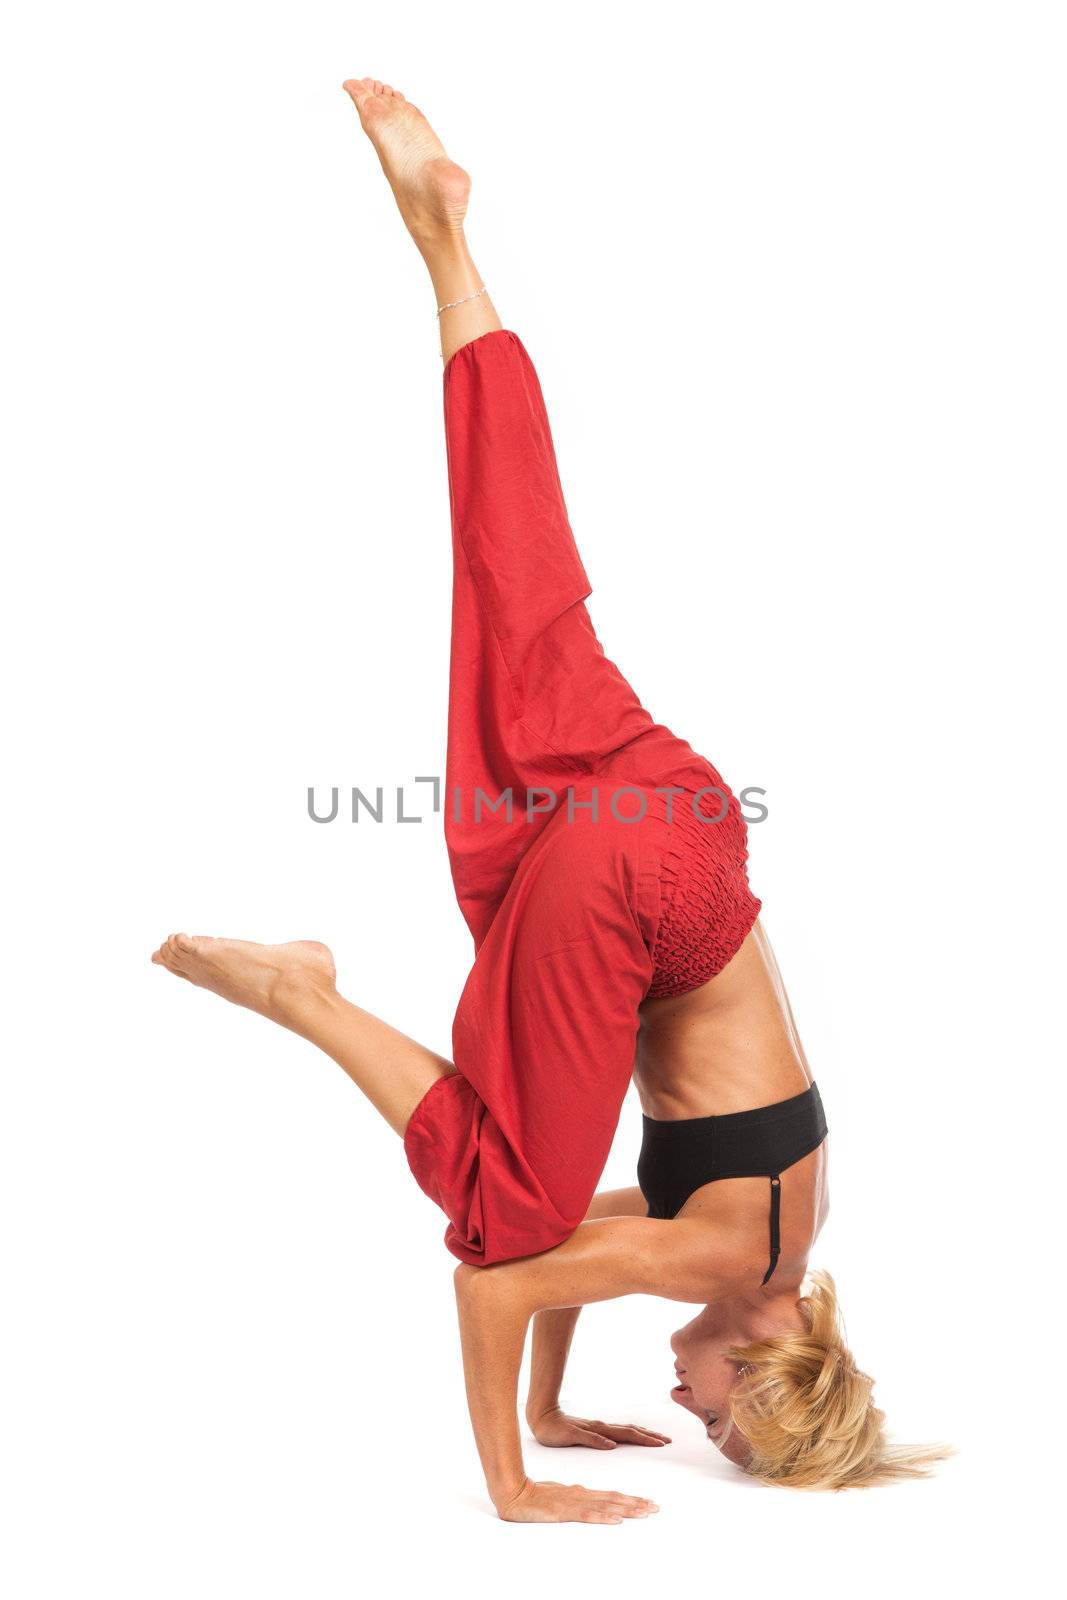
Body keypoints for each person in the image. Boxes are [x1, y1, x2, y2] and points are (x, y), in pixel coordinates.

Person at [152, 76, 950, 1523]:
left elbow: (583, 1243)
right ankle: (302, 993)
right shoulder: (718, 1269)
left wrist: (551, 1395)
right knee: (492, 1209)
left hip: (680, 820)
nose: (687, 1411)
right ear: (765, 1381)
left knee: (517, 575)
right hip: (639, 893)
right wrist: (516, 1482)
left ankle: (447, 243)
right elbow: (500, 1277)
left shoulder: (771, 1235)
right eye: (721, 1425)